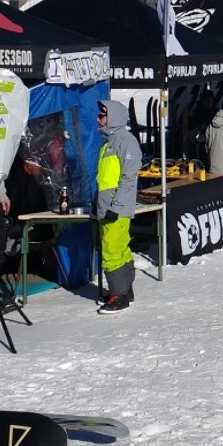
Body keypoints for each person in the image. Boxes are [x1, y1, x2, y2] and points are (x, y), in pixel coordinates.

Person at [96, 99, 142, 314]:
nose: (99, 119)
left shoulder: (125, 141)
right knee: (121, 249)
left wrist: (117, 205)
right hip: (108, 207)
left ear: (113, 117)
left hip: (115, 208)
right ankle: (124, 290)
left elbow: (128, 178)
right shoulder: (109, 142)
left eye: (102, 115)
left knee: (111, 251)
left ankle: (118, 296)